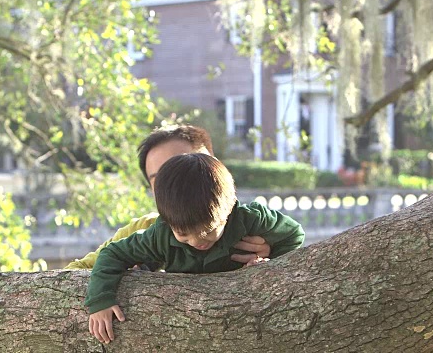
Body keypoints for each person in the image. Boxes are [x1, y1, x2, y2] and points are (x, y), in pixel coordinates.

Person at [86, 153, 305, 344]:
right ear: (167, 221)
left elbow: (294, 235)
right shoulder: (160, 235)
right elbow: (113, 254)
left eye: (209, 230)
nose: (197, 241)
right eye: (183, 234)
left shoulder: (251, 219)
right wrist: (101, 300)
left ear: (228, 209)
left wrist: (271, 262)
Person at [65, 125, 271, 270]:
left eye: (186, 168)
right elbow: (72, 274)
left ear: (216, 168)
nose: (175, 184)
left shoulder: (251, 222)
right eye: (160, 179)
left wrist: (274, 253)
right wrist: (121, 277)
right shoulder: (144, 230)